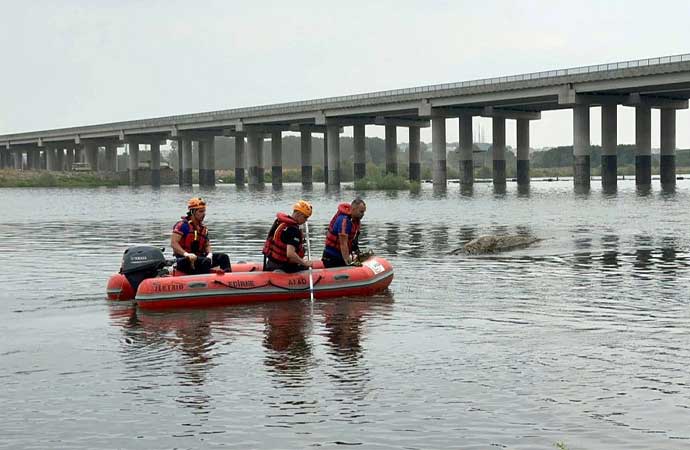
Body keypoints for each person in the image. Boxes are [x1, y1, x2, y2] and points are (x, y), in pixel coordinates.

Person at [171, 197, 231, 274]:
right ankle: (207, 282)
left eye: (204, 211)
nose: (203, 214)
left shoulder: (203, 228)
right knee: (205, 261)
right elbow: (174, 243)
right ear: (192, 212)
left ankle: (228, 280)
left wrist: (209, 254)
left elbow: (207, 244)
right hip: (184, 260)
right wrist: (186, 254)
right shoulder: (182, 226)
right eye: (201, 211)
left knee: (223, 257)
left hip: (200, 258)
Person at [262, 200, 315, 273]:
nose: (306, 221)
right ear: (299, 214)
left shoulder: (279, 221)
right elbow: (290, 254)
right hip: (285, 267)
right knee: (306, 267)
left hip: (271, 264)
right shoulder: (294, 230)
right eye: (305, 217)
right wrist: (304, 263)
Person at [322, 198, 366, 268]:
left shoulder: (356, 222)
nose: (363, 214)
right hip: (332, 258)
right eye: (361, 212)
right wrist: (349, 263)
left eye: (364, 212)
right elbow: (343, 244)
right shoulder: (344, 220)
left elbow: (354, 242)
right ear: (353, 209)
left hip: (341, 257)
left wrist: (358, 254)